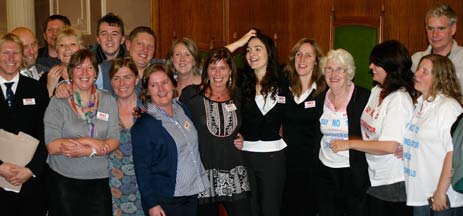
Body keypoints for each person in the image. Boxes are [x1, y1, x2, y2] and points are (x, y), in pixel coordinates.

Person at [330, 40, 415, 215]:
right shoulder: (377, 90)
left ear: (390, 67)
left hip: (392, 182)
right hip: (374, 176)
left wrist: (350, 143)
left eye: (376, 63)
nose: (371, 67)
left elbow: (389, 146)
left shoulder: (399, 99)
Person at [44, 49, 120, 216]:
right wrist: (93, 142)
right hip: (63, 182)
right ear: (71, 72)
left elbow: (114, 139)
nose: (84, 73)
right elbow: (52, 145)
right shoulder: (58, 101)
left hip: (99, 182)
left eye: (90, 68)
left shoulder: (108, 100)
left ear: (95, 73)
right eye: (79, 68)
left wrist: (90, 150)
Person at [179, 48, 252, 216]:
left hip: (234, 170)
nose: (218, 73)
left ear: (230, 71)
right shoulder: (191, 95)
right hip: (204, 172)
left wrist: (243, 137)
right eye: (213, 68)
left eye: (223, 68)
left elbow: (249, 124)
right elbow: (176, 123)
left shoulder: (239, 95)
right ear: (206, 71)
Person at [132, 63, 209, 216]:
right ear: (147, 90)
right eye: (154, 85)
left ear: (173, 84)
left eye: (164, 82)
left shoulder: (183, 109)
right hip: (166, 199)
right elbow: (142, 169)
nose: (161, 89)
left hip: (192, 194)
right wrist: (152, 204)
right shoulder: (144, 125)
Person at [227, 29, 287, 216]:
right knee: (250, 210)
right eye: (248, 50)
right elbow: (215, 60)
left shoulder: (285, 79)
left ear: (269, 52)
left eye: (257, 49)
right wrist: (239, 42)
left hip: (274, 157)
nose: (252, 54)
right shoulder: (239, 81)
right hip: (245, 155)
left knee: (270, 210)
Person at [404, 54, 463, 215]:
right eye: (418, 69)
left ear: (440, 78)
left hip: (442, 198)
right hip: (420, 193)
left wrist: (440, 192)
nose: (417, 74)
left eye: (425, 71)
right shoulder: (421, 104)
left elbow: (453, 152)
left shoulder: (448, 108)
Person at [0, 33, 49, 216]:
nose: (11, 58)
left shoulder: (37, 89)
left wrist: (31, 170)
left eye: (16, 53)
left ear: (22, 57)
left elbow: (46, 134)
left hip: (30, 182)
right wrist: (0, 167)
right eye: (5, 53)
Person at [318, 49, 370, 216]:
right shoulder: (320, 98)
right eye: (329, 69)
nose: (333, 74)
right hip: (326, 169)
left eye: (339, 69)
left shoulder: (364, 98)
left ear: (349, 73)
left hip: (354, 171)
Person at [280, 38, 326, 216]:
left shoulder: (324, 91)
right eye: (298, 54)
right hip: (285, 162)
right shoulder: (284, 87)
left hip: (312, 164)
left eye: (308, 55)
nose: (302, 59)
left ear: (316, 61)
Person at [108, 57, 144, 216]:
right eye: (116, 78)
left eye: (127, 77)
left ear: (136, 79)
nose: (122, 83)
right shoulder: (103, 109)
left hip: (144, 187)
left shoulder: (149, 109)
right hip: (113, 188)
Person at [411, 3, 463, 88]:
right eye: (430, 28)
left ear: (453, 29)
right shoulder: (415, 61)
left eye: (441, 28)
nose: (435, 34)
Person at [40, 27, 84, 97]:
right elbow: (40, 106)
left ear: (81, 49)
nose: (67, 48)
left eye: (72, 44)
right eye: (62, 45)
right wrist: (50, 88)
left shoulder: (89, 74)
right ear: (57, 52)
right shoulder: (47, 77)